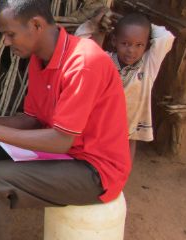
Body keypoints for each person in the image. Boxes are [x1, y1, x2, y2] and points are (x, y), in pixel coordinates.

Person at [0, 0, 131, 239]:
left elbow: (61, 141)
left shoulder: (83, 63)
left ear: (36, 25)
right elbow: (32, 120)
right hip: (68, 155)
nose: (6, 42)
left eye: (10, 34)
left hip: (95, 171)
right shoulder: (39, 59)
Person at [75, 10, 176, 159]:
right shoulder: (104, 60)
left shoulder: (148, 65)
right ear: (114, 41)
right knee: (98, 150)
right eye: (125, 43)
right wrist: (92, 24)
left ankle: (122, 177)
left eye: (139, 45)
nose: (131, 51)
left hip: (130, 123)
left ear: (146, 45)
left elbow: (166, 37)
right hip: (103, 120)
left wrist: (137, 23)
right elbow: (79, 42)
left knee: (127, 148)